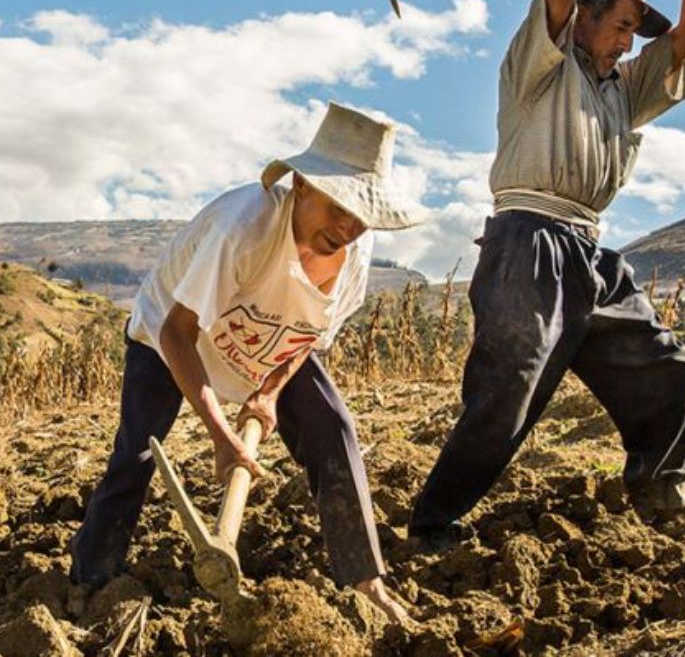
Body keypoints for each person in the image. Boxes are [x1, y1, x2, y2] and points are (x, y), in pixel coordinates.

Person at [409, 0, 685, 551]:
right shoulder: (540, 63)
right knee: (509, 391)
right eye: (621, 25)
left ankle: (659, 497)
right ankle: (432, 525)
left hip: (590, 252)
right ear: (582, 14)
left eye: (634, 30)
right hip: (528, 242)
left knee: (668, 370)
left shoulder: (622, 90)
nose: (629, 44)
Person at [70, 103, 425, 621]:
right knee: (136, 454)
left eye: (361, 214)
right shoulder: (243, 228)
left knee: (334, 428)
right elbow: (177, 332)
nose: (348, 225)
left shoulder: (355, 255)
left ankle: (366, 581)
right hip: (170, 336)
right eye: (337, 205)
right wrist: (220, 435)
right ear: (301, 185)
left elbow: (309, 335)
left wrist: (269, 393)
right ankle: (90, 583)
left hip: (265, 347)